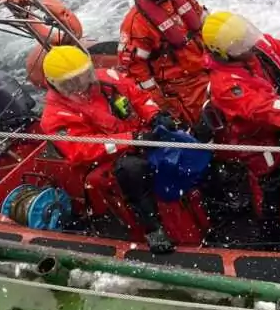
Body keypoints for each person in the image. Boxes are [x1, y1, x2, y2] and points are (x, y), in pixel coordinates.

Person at [198, 11, 280, 234]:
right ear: (224, 52)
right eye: (240, 43)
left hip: (278, 118)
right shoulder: (226, 84)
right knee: (269, 180)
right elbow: (260, 107)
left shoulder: (251, 49)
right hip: (255, 138)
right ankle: (269, 229)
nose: (249, 44)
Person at [39, 45, 178, 254]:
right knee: (132, 171)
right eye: (71, 83)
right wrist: (131, 140)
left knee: (177, 135)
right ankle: (153, 229)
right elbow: (82, 150)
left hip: (136, 137)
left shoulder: (110, 79)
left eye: (83, 77)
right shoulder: (54, 117)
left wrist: (155, 115)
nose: (80, 86)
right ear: (54, 85)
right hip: (104, 159)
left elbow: (139, 97)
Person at [117, 0, 210, 126]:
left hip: (207, 68)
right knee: (202, 125)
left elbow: (208, 28)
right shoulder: (136, 23)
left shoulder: (185, 0)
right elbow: (136, 69)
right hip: (179, 87)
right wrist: (161, 103)